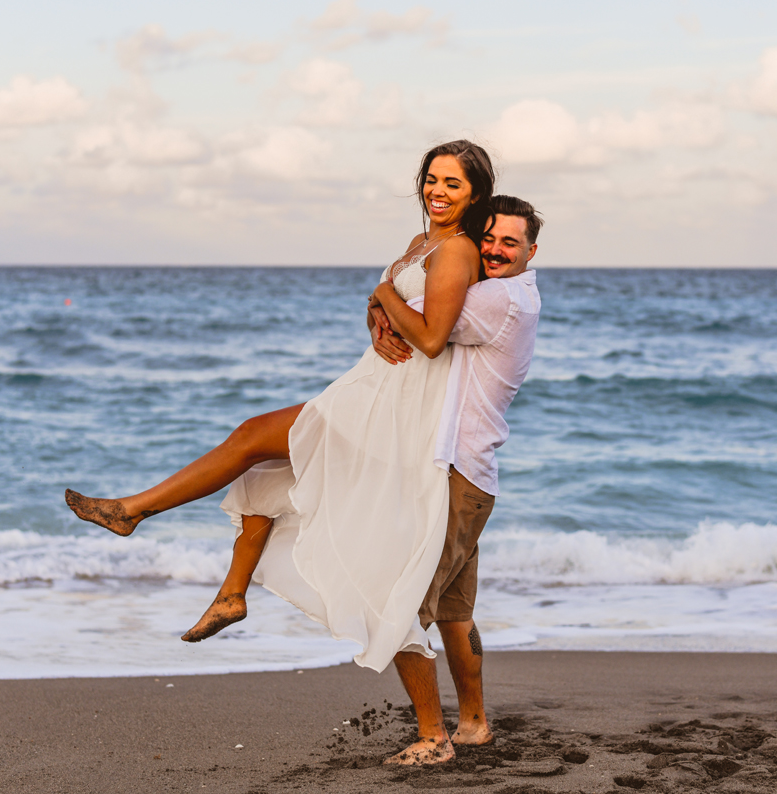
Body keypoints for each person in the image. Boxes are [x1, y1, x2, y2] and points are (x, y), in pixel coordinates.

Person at [65, 139, 494, 672]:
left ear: (475, 195)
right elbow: (387, 320)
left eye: (453, 183)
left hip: (396, 407)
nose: (437, 191)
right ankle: (230, 593)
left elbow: (431, 339)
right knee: (265, 469)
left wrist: (382, 296)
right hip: (370, 384)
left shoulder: (456, 250)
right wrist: (377, 311)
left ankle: (132, 512)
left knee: (251, 439)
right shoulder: (420, 242)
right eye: (432, 179)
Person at [372, 195, 542, 765]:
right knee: (453, 610)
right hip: (471, 476)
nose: (493, 250)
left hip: (456, 474)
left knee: (399, 604)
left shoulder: (498, 298)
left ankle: (432, 737)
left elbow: (424, 325)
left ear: (531, 251)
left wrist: (381, 293)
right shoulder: (514, 293)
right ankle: (473, 724)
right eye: (487, 237)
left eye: (508, 243)